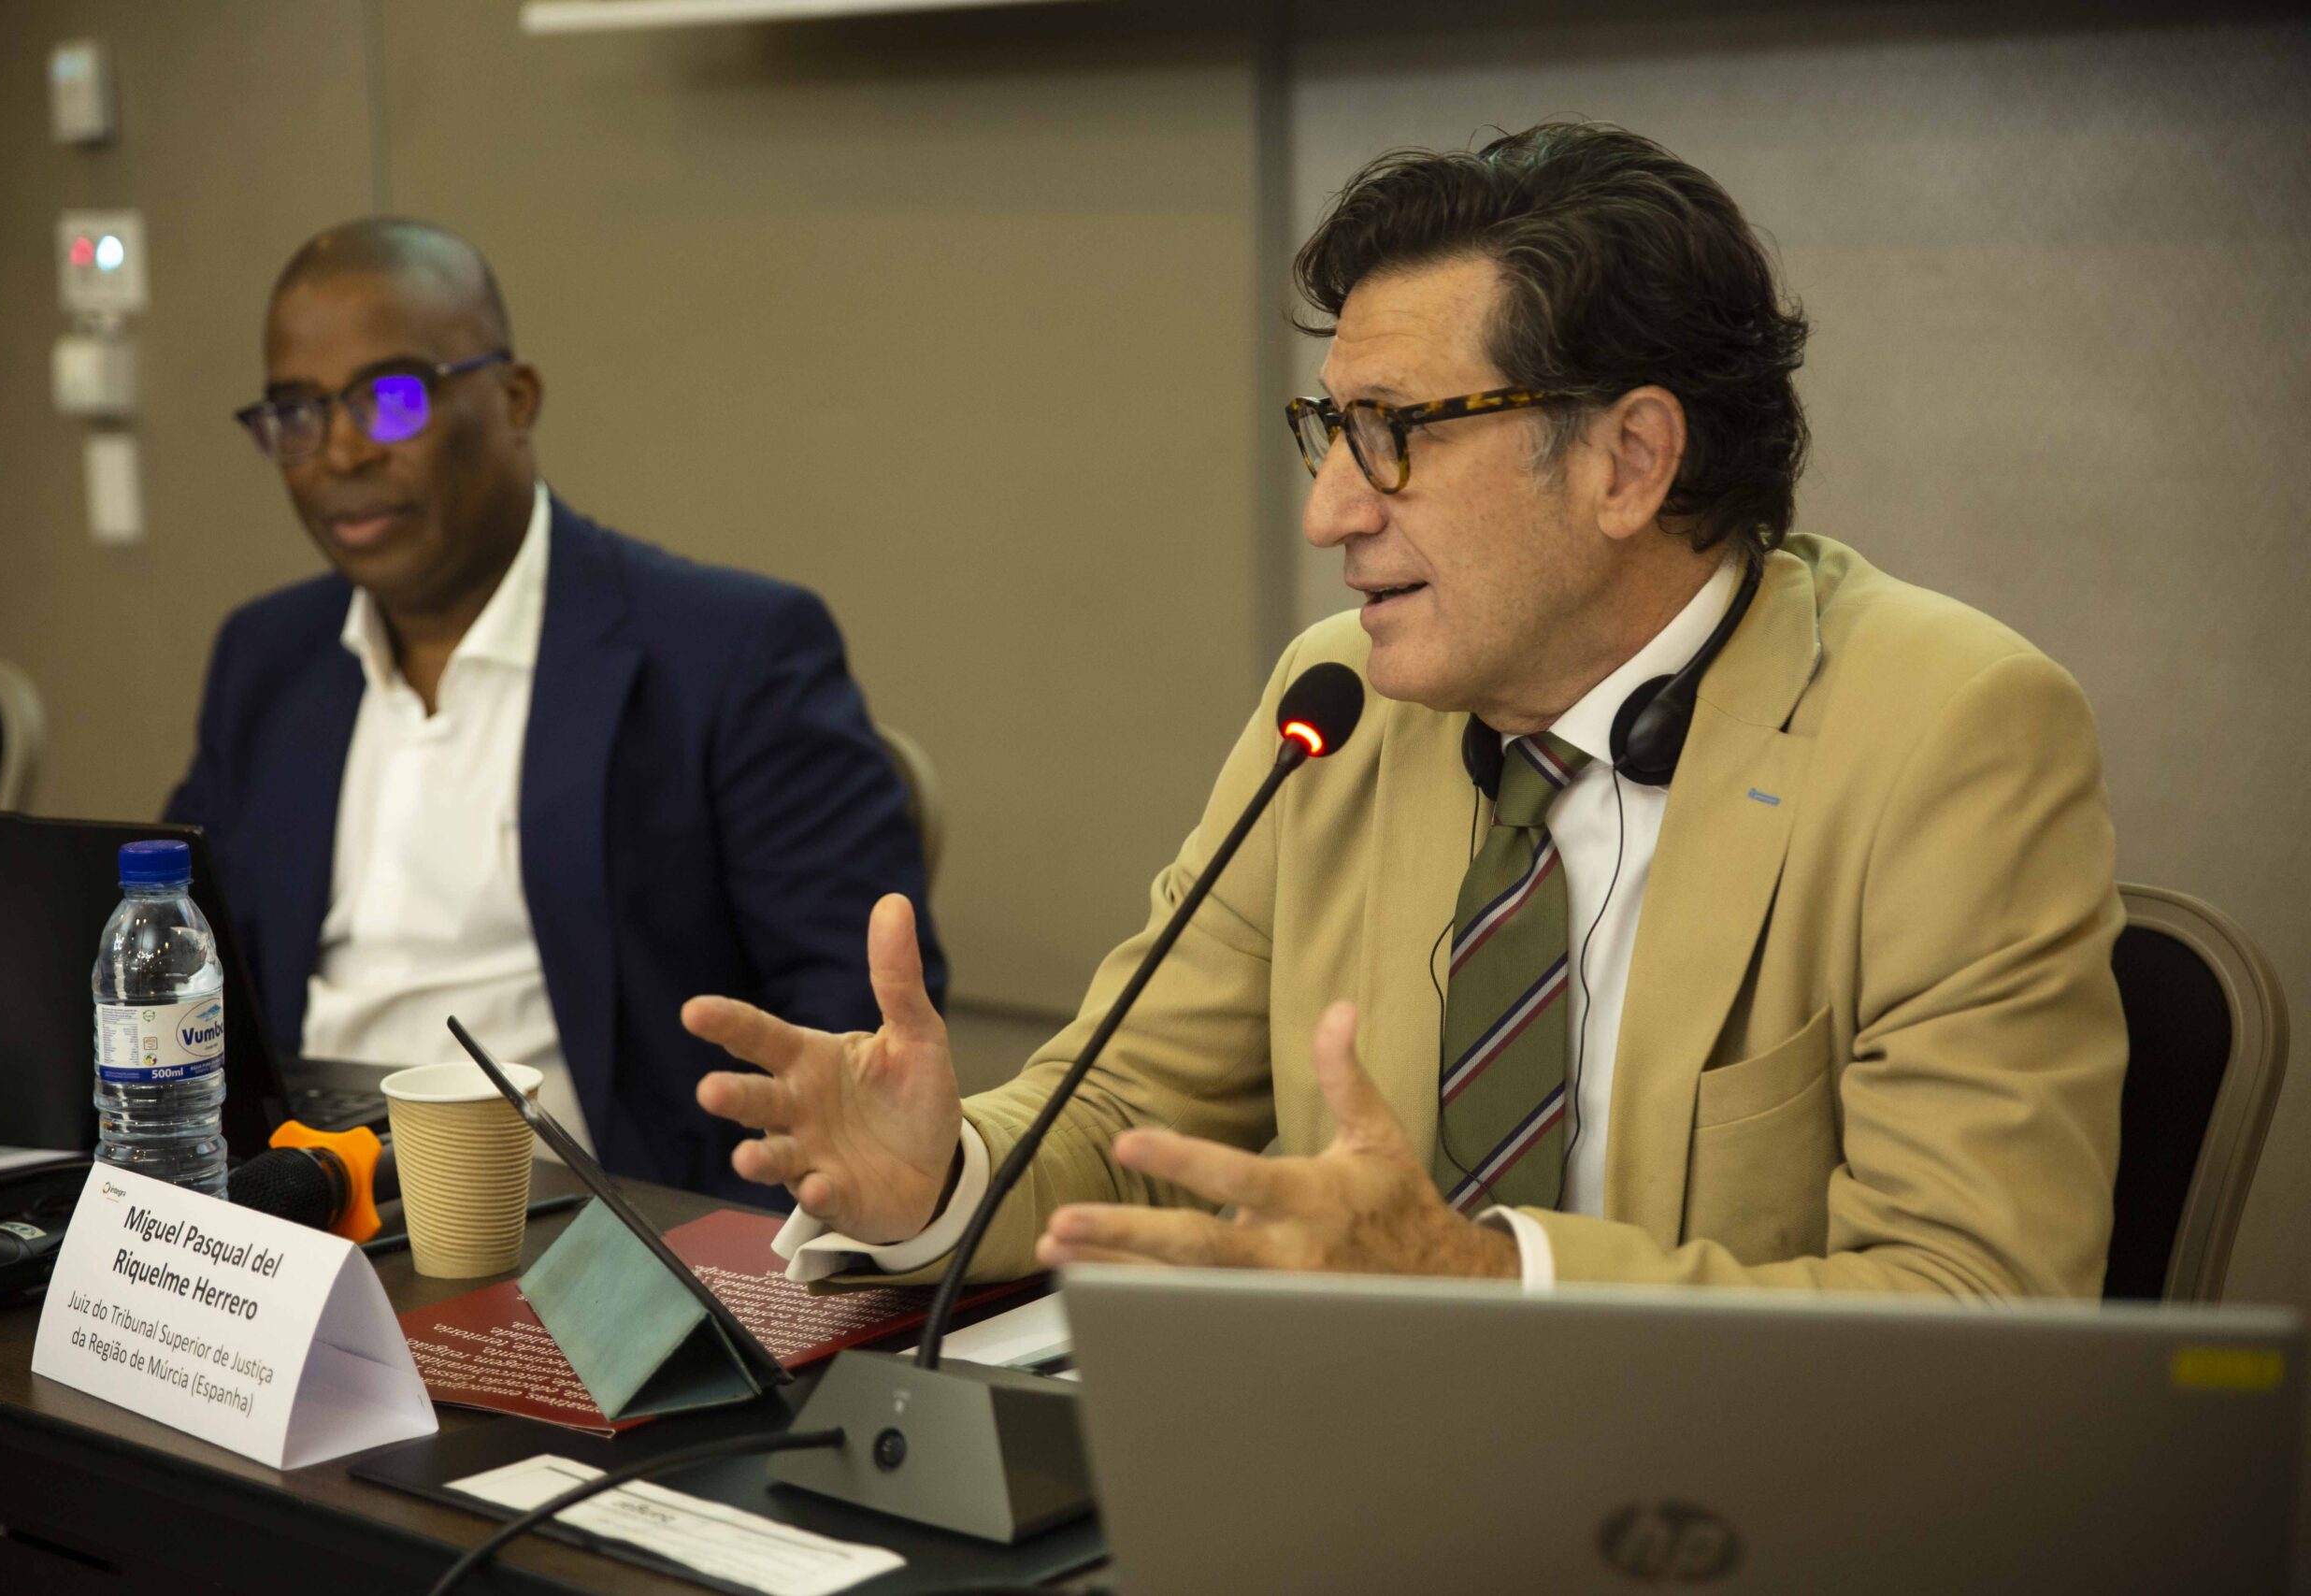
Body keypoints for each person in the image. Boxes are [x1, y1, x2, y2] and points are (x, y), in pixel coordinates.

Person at [687, 122, 2125, 1292]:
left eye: (1393, 433)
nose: (1329, 510)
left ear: (1629, 460)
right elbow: (1127, 1113)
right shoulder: (1337, 705)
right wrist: (938, 1174)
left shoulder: (1949, 732)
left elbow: (1972, 1294)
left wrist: (1490, 1279)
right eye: (1331, 429)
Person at [167, 218, 943, 1205]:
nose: (342, 452)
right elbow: (178, 956)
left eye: (392, 399)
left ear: (515, 397)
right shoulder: (268, 657)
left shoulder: (731, 652)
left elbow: (855, 1028)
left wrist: (730, 1259)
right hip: (301, 1210)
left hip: (590, 1233)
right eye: (296, 413)